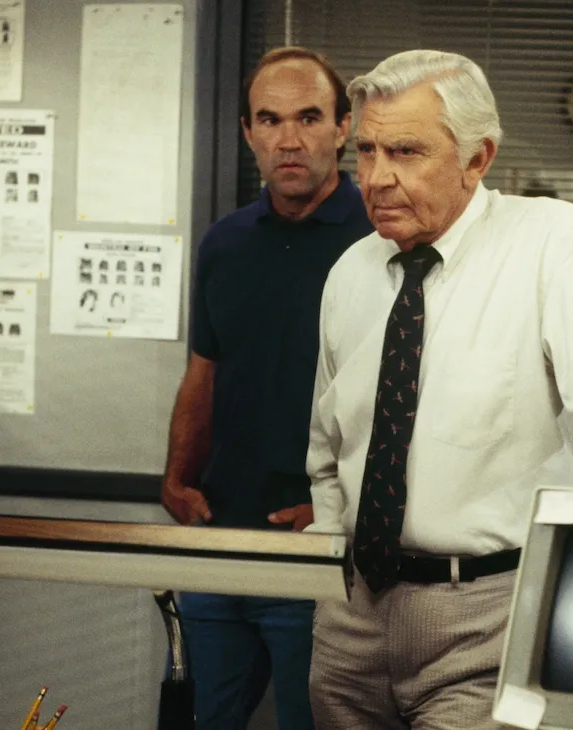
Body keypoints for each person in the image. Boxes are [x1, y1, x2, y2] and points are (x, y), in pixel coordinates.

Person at [305, 50, 573, 730]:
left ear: (478, 158)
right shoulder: (352, 272)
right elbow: (330, 443)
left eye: (406, 151)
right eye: (367, 151)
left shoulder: (553, 245)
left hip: (490, 619)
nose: (376, 178)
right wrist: (328, 572)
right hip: (352, 619)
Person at [161, 46, 373, 730]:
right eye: (270, 119)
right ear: (248, 132)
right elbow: (205, 370)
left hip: (319, 553)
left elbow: (413, 401)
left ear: (343, 128)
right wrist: (175, 479)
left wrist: (340, 505)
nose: (290, 138)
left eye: (309, 117)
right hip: (222, 540)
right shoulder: (225, 242)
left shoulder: (379, 240)